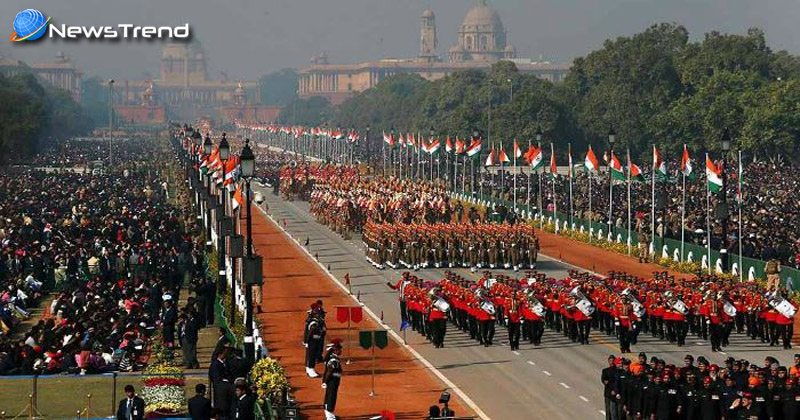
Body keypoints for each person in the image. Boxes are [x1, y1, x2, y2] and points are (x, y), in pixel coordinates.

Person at [322, 341, 343, 420]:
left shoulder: (334, 358)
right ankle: (329, 416)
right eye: (339, 349)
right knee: (331, 397)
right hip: (332, 381)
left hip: (333, 381)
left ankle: (330, 414)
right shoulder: (334, 360)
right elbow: (329, 372)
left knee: (331, 396)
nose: (340, 351)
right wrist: (325, 382)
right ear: (335, 350)